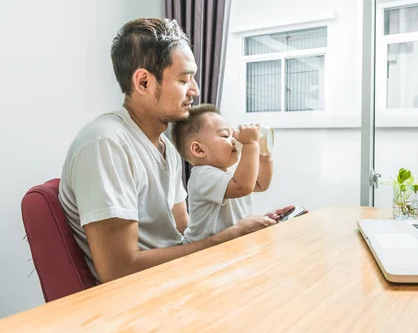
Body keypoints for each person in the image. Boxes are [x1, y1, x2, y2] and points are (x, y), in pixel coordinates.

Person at [58, 18, 293, 283]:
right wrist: (226, 239)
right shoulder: (106, 143)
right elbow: (119, 271)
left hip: (179, 279)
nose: (195, 90)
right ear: (144, 82)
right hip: (143, 299)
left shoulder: (166, 148)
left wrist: (240, 227)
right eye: (184, 80)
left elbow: (184, 231)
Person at [171, 104, 274, 242]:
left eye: (233, 135)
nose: (234, 140)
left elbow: (261, 184)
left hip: (230, 244)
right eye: (225, 135)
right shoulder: (202, 176)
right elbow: (242, 187)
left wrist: (264, 157)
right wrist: (250, 144)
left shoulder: (231, 171)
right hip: (200, 253)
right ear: (199, 150)